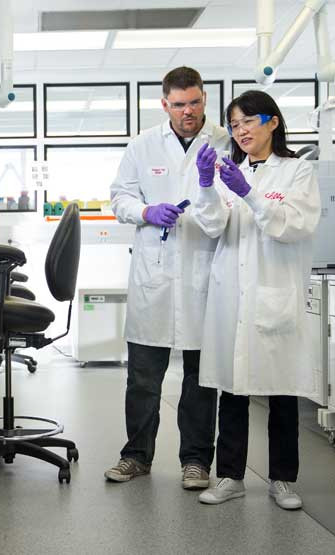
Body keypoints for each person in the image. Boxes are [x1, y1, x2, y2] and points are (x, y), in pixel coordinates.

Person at [191, 90, 320, 510]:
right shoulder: (232, 173)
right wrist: (208, 187)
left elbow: (294, 225)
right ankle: (230, 476)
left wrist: (248, 192)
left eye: (249, 120)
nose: (240, 130)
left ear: (273, 122)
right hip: (233, 296)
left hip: (274, 292)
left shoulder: (298, 172)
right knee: (233, 392)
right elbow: (212, 226)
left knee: (282, 391)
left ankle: (283, 479)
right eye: (234, 124)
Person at [105, 67, 230, 489]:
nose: (188, 111)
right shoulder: (142, 144)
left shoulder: (224, 141)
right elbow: (119, 195)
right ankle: (136, 456)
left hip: (204, 273)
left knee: (200, 380)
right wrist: (145, 212)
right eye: (179, 104)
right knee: (142, 378)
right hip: (154, 274)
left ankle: (195, 461)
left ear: (204, 99)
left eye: (194, 102)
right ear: (165, 104)